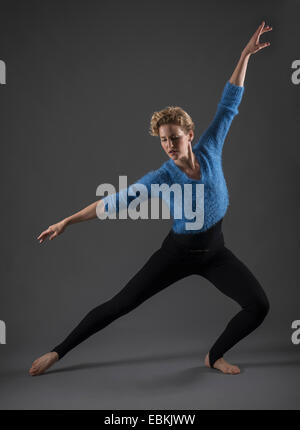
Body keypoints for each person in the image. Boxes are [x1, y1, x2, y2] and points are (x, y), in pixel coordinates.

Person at [30, 21, 272, 376]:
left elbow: (229, 101)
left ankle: (214, 355)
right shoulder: (161, 177)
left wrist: (244, 55)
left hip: (215, 253)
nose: (169, 145)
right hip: (176, 254)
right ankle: (57, 352)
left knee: (259, 306)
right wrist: (66, 221)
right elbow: (110, 204)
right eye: (163, 140)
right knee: (120, 305)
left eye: (174, 137)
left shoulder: (211, 147)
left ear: (189, 134)